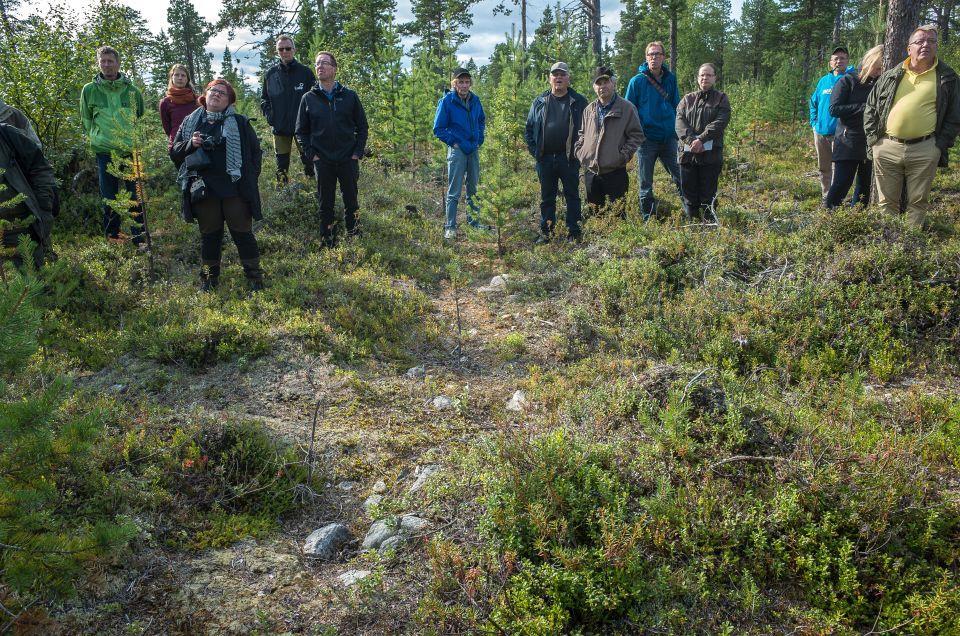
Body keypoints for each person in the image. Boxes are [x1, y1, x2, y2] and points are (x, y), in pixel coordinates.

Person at [170, 79, 265, 292]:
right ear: (206, 94)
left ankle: (255, 279)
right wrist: (189, 144)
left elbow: (255, 154)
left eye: (223, 93)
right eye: (214, 90)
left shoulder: (240, 122)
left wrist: (248, 179)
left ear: (229, 101)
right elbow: (174, 153)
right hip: (204, 191)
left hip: (234, 190)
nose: (217, 94)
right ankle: (209, 281)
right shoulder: (190, 121)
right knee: (209, 235)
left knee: (242, 233)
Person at [865, 25, 960, 227]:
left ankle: (910, 244)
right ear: (909, 49)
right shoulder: (891, 74)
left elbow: (955, 116)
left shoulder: (948, 77)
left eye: (931, 41)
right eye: (920, 41)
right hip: (887, 147)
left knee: (918, 202)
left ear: (936, 47)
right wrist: (875, 141)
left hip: (925, 148)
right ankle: (888, 242)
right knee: (886, 202)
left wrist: (939, 145)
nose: (926, 45)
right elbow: (871, 107)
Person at [295, 51, 369, 246]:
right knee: (325, 203)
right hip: (323, 160)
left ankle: (354, 235)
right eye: (317, 63)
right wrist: (312, 155)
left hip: (347, 158)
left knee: (351, 201)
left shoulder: (349, 96)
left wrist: (357, 152)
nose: (320, 66)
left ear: (334, 69)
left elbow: (362, 126)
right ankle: (327, 239)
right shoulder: (308, 98)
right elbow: (301, 131)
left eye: (325, 63)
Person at [79, 45, 146, 245]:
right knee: (109, 197)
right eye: (103, 61)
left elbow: (139, 115)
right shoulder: (89, 90)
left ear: (118, 63)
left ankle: (140, 238)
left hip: (129, 150)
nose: (107, 65)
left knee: (135, 195)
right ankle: (113, 236)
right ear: (98, 64)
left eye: (110, 61)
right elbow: (86, 118)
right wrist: (96, 137)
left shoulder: (132, 90)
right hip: (104, 151)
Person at [524, 61, 588, 243]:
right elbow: (529, 129)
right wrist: (535, 151)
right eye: (555, 74)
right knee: (547, 197)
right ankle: (547, 232)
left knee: (572, 196)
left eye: (562, 74)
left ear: (568, 78)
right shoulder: (539, 101)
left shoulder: (579, 101)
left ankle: (574, 232)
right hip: (545, 158)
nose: (558, 77)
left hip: (569, 158)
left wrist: (578, 153)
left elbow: (588, 129)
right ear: (549, 78)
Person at [575, 66, 646, 215]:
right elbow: (581, 133)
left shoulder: (626, 107)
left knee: (617, 216)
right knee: (595, 216)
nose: (602, 87)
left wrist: (622, 156)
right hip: (591, 172)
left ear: (613, 83)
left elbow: (637, 135)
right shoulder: (589, 109)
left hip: (615, 173)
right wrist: (580, 151)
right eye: (598, 83)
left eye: (605, 82)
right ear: (594, 87)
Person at [624, 41, 682, 220]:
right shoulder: (637, 81)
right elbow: (629, 111)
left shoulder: (670, 79)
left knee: (681, 177)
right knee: (645, 183)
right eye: (651, 54)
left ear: (663, 57)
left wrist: (678, 133)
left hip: (668, 139)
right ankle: (649, 218)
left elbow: (676, 105)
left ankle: (691, 210)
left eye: (657, 54)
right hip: (646, 141)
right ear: (646, 58)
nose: (654, 57)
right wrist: (634, 137)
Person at [825, 45, 883, 209]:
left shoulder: (881, 82)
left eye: (881, 69)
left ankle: (857, 218)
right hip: (848, 140)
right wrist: (864, 107)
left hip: (872, 141)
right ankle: (829, 215)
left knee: (865, 186)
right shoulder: (848, 80)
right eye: (876, 68)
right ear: (869, 62)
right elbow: (834, 109)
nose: (878, 72)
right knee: (842, 183)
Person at [434, 67, 487, 240]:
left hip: (473, 150)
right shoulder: (447, 101)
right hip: (457, 152)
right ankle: (450, 226)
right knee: (454, 191)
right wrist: (455, 143)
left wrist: (479, 139)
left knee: (473, 189)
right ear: (454, 83)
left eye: (467, 82)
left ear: (470, 83)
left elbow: (481, 120)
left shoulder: (475, 100)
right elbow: (438, 129)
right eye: (460, 82)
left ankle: (474, 223)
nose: (464, 85)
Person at [675, 63, 730, 221]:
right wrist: (692, 141)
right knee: (689, 192)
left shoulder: (721, 99)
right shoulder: (687, 99)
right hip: (687, 155)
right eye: (702, 75)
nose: (705, 78)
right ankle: (692, 223)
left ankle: (709, 225)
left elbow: (720, 122)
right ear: (698, 78)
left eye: (708, 75)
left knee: (708, 193)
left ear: (714, 78)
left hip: (710, 155)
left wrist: (701, 139)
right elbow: (679, 122)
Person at [260, 35, 315, 185]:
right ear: (277, 51)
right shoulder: (270, 74)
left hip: (303, 129)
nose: (285, 51)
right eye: (281, 49)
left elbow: (315, 98)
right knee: (281, 166)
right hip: (280, 128)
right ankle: (283, 197)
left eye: (288, 48)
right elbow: (264, 99)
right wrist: (270, 117)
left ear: (294, 49)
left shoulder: (306, 73)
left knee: (309, 161)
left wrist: (312, 119)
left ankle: (315, 191)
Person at [0, 123, 56, 270]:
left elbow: (40, 169)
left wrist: (44, 208)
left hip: (20, 229)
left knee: (30, 287)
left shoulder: (7, 135)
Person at [809, 46, 852, 198]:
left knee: (838, 169)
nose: (839, 61)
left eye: (842, 58)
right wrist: (814, 123)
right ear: (830, 63)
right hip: (821, 132)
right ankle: (826, 197)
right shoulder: (823, 81)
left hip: (840, 133)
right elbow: (813, 102)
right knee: (824, 168)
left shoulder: (851, 78)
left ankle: (837, 199)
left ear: (847, 61)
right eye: (835, 58)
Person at [160, 64, 199, 150]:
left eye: (183, 75)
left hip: (196, 145)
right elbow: (167, 129)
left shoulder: (197, 100)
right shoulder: (165, 102)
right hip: (177, 147)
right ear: (172, 78)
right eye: (177, 75)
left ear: (187, 79)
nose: (180, 78)